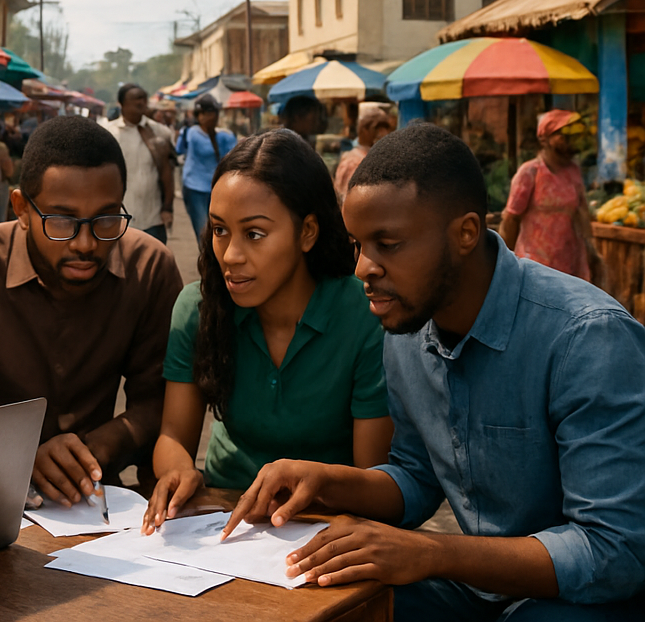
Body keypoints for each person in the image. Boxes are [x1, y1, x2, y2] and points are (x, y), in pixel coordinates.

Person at [223, 123, 645, 620]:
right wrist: (327, 481)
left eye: (388, 244)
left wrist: (431, 552)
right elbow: (417, 474)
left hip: (583, 601)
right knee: (320, 601)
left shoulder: (587, 338)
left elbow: (614, 552)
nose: (363, 268)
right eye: (359, 244)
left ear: (466, 233)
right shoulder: (406, 327)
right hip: (475, 588)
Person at [142, 129, 392, 533]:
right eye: (220, 230)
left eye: (254, 234)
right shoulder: (198, 308)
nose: (231, 255)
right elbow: (173, 433)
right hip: (219, 517)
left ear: (307, 232)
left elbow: (374, 478)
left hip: (328, 523)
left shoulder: (364, 316)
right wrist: (178, 471)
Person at [0, 115, 183, 507]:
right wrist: (20, 456)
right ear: (21, 209)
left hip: (94, 497)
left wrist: (96, 446)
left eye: (106, 218)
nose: (85, 243)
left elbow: (160, 403)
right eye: (61, 220)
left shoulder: (149, 267)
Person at [500, 109, 600, 282]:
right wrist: (504, 264)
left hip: (570, 267)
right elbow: (511, 219)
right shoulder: (530, 172)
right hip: (534, 267)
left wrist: (592, 254)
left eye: (573, 137)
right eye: (563, 136)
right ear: (544, 139)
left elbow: (582, 214)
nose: (570, 143)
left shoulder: (573, 171)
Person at [100, 83, 175, 244]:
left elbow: (167, 172)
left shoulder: (160, 132)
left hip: (153, 218)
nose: (142, 103)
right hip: (120, 218)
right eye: (136, 99)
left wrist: (168, 208)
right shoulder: (108, 133)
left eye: (143, 98)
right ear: (122, 104)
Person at [176, 94, 237, 238]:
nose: (212, 117)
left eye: (214, 113)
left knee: (220, 230)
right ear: (199, 115)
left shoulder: (224, 136)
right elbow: (181, 149)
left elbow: (233, 155)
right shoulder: (192, 133)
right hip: (194, 187)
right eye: (207, 113)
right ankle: (207, 259)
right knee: (203, 231)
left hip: (217, 187)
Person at [332, 102, 393, 203]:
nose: (382, 133)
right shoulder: (352, 161)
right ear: (363, 130)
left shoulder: (381, 157)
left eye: (385, 128)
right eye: (377, 128)